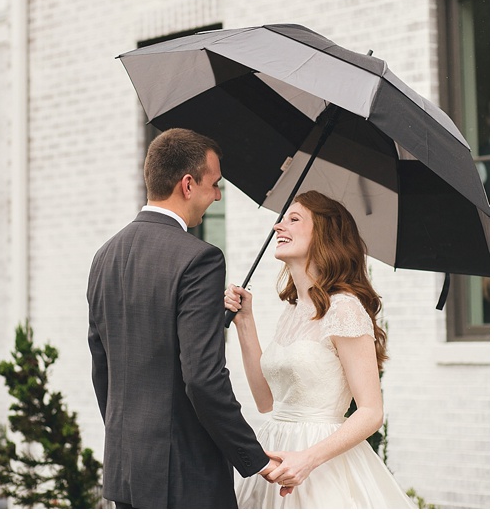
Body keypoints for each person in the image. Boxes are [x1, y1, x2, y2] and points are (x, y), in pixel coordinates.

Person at [87, 128, 279, 509]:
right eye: (215, 184)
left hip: (125, 471)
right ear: (187, 184)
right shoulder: (200, 259)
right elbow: (203, 379)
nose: (218, 195)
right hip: (185, 477)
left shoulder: (104, 256)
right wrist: (253, 458)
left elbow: (102, 367)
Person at [225, 190, 414, 508]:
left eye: (293, 219)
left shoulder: (345, 308)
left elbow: (370, 412)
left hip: (319, 462)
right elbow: (265, 400)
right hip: (274, 452)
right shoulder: (292, 311)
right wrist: (245, 321)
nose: (278, 226)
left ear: (325, 235)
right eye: (282, 219)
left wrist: (307, 459)